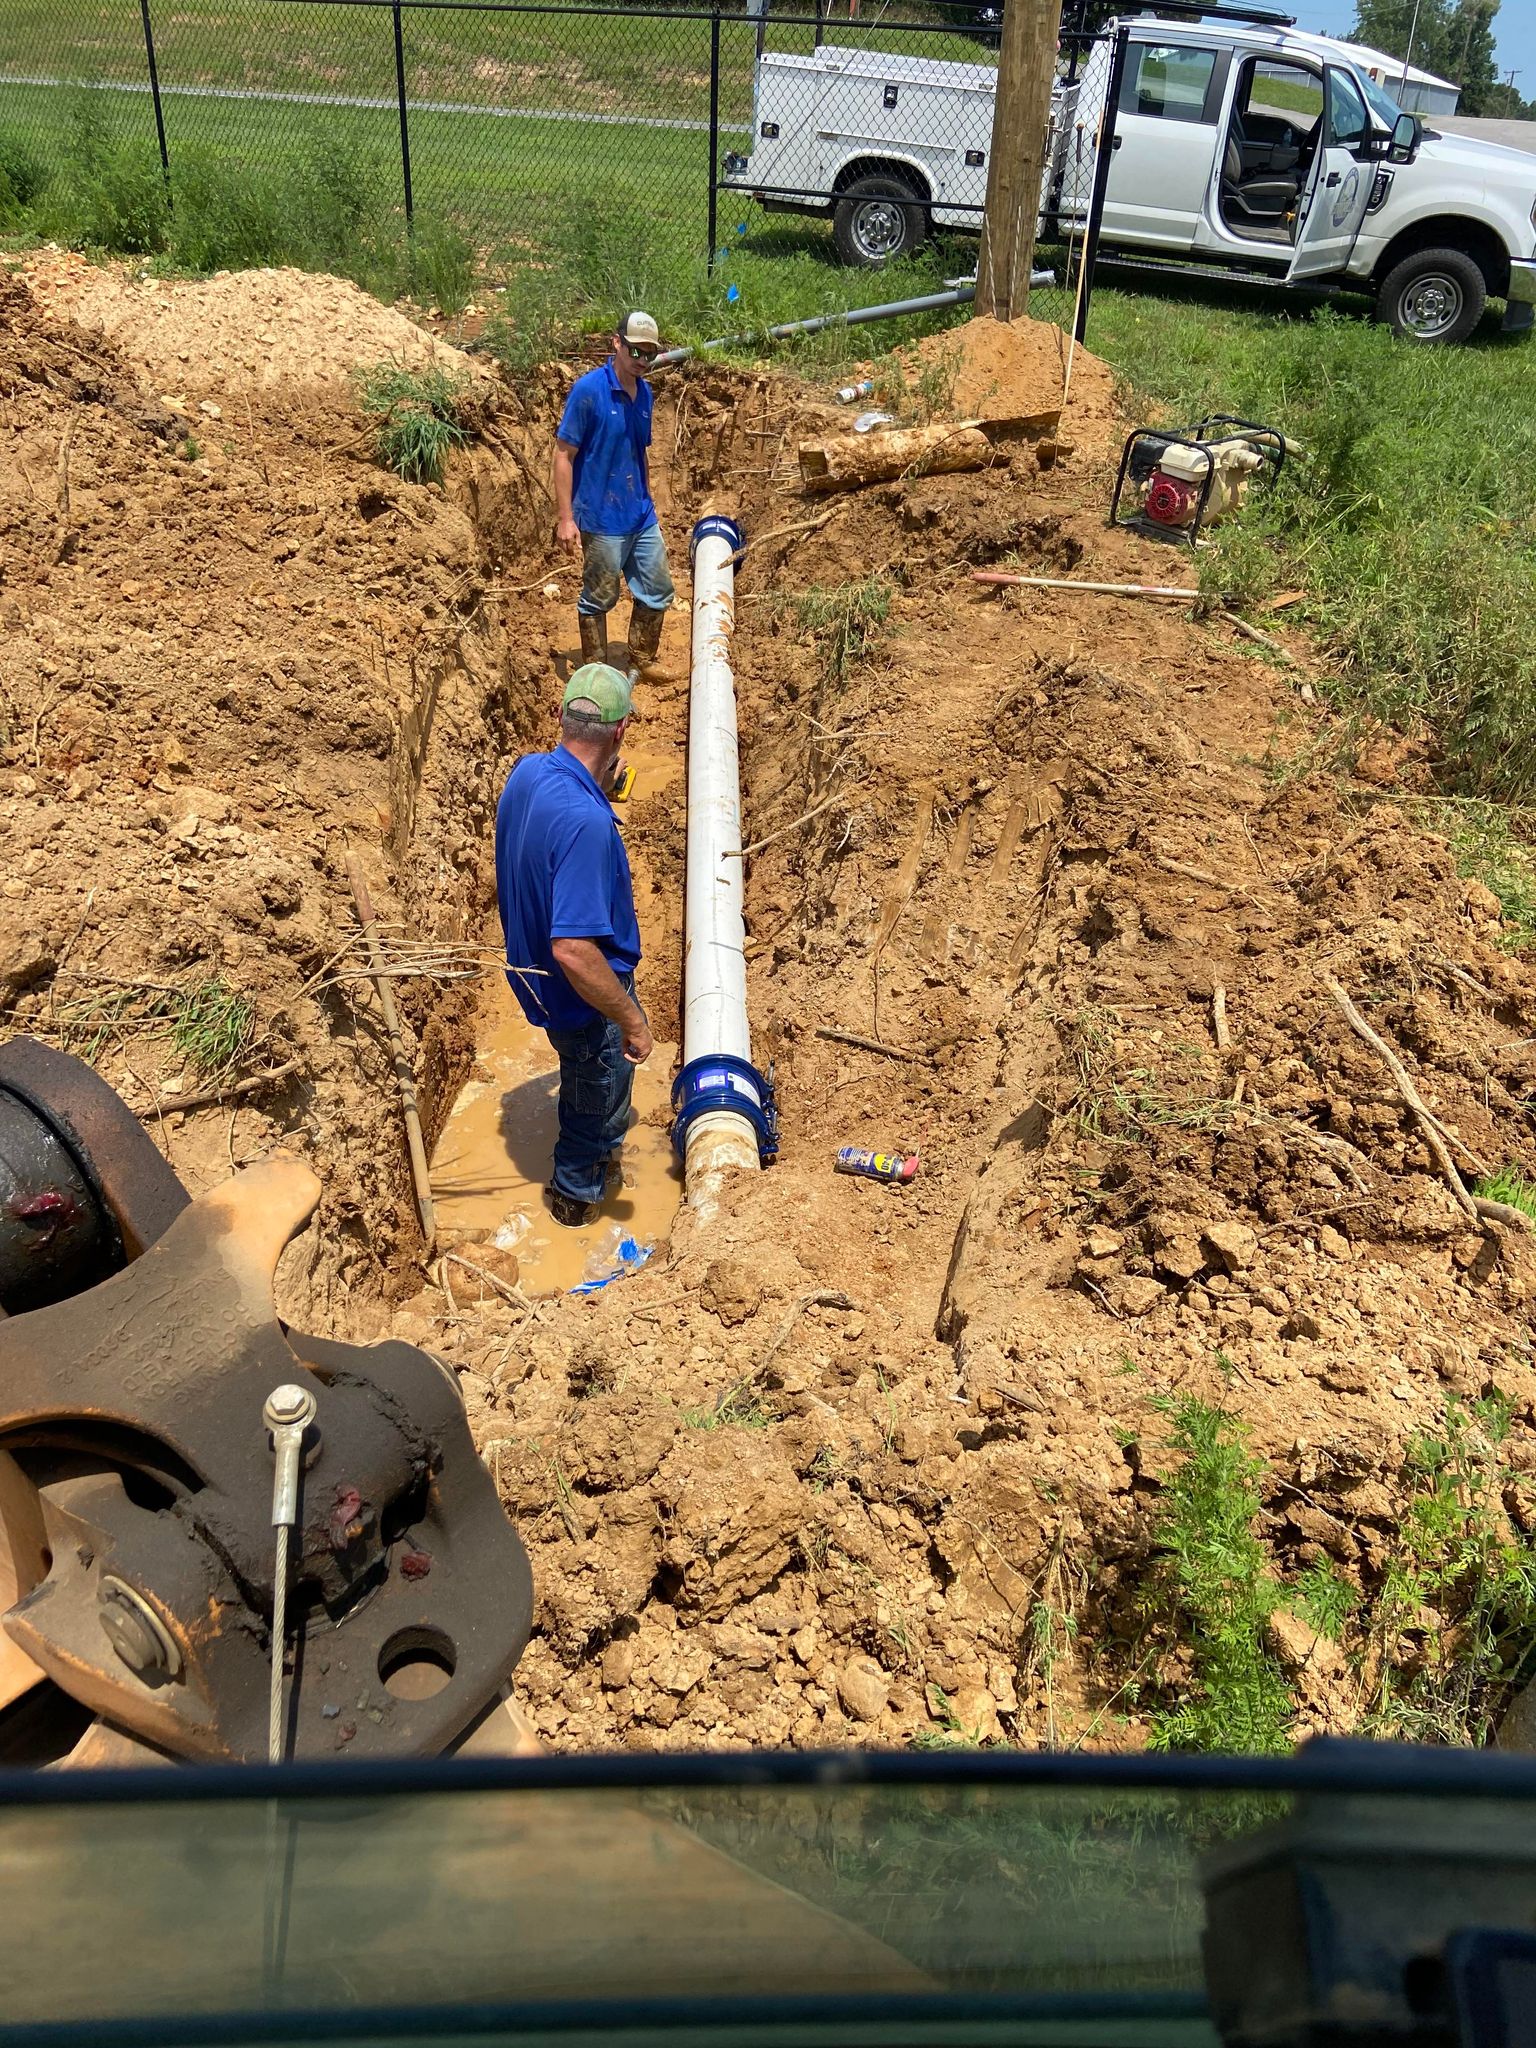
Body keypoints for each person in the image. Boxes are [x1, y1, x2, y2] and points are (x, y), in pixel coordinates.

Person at [495, 662, 654, 1228]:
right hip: (581, 997)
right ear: (619, 731)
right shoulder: (587, 823)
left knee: (584, 1071)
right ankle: (575, 1194)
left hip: (533, 977)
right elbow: (575, 949)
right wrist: (631, 1019)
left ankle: (583, 1160)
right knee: (597, 1086)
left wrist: (597, 789)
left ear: (562, 717)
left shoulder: (528, 773)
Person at [553, 310, 675, 679]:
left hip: (639, 514)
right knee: (600, 597)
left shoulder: (646, 394)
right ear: (617, 344)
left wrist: (649, 499)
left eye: (649, 354)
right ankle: (595, 671)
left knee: (658, 588)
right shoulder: (589, 391)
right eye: (635, 351)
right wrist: (566, 519)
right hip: (601, 518)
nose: (641, 361)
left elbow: (640, 453)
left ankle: (642, 657)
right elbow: (563, 455)